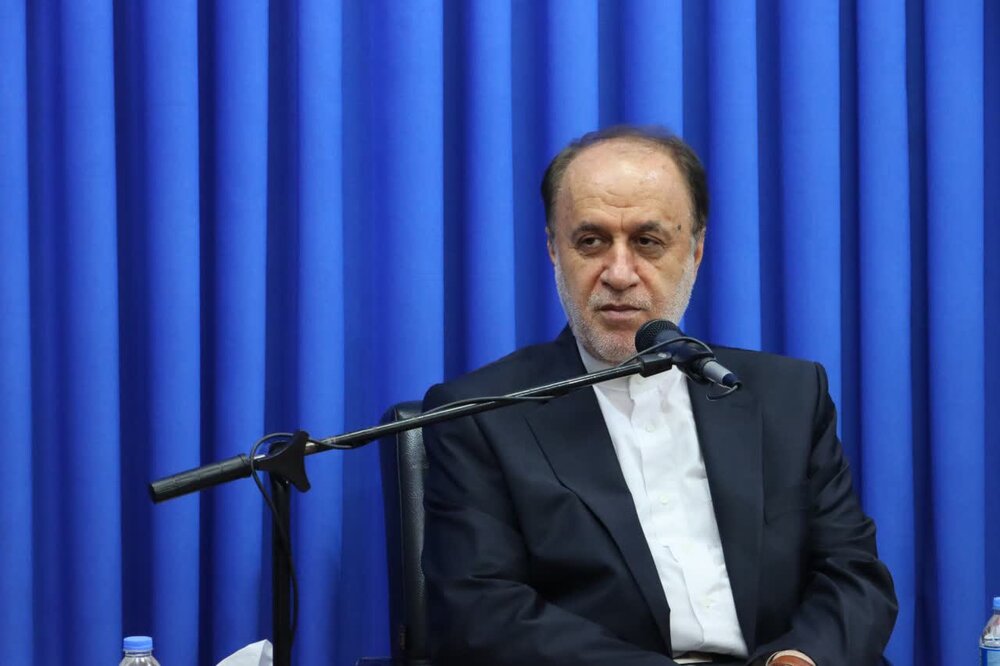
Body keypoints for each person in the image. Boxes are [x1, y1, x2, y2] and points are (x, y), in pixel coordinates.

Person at [421, 126, 897, 666]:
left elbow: (852, 574)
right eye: (591, 241)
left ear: (696, 249)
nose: (620, 274)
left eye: (648, 242)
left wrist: (799, 660)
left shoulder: (788, 395)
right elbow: (481, 613)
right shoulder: (482, 414)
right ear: (554, 250)